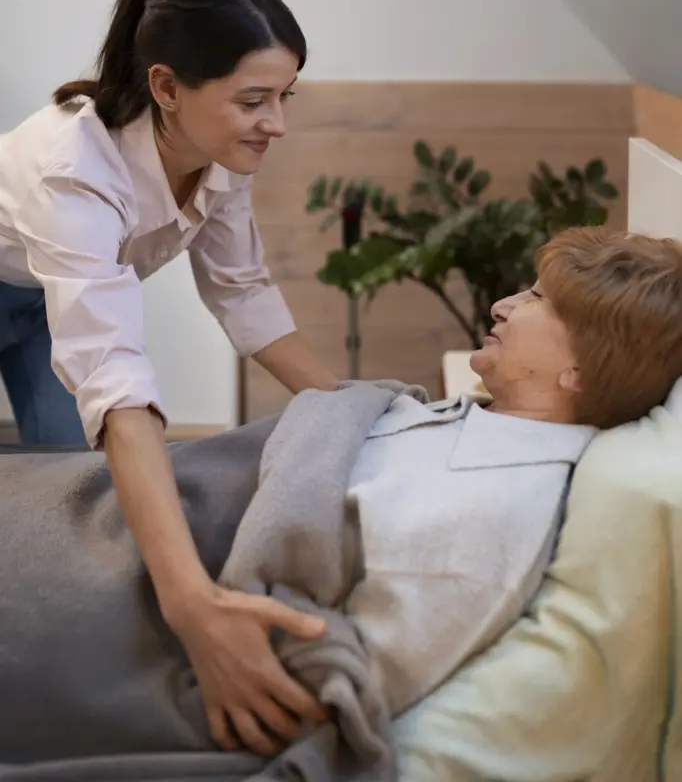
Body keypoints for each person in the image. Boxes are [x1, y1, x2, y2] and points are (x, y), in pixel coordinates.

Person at [2, 226, 682, 768]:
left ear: (578, 368)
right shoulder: (470, 421)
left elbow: (341, 665)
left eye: (537, 300)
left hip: (138, 584)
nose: (504, 304)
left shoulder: (500, 499)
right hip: (145, 502)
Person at [0, 0, 336, 746]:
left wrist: (357, 405)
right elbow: (115, 376)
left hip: (41, 307)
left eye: (285, 97)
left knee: (72, 499)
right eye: (254, 100)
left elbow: (244, 297)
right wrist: (192, 604)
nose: (276, 124)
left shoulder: (221, 156)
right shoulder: (73, 165)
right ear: (167, 86)